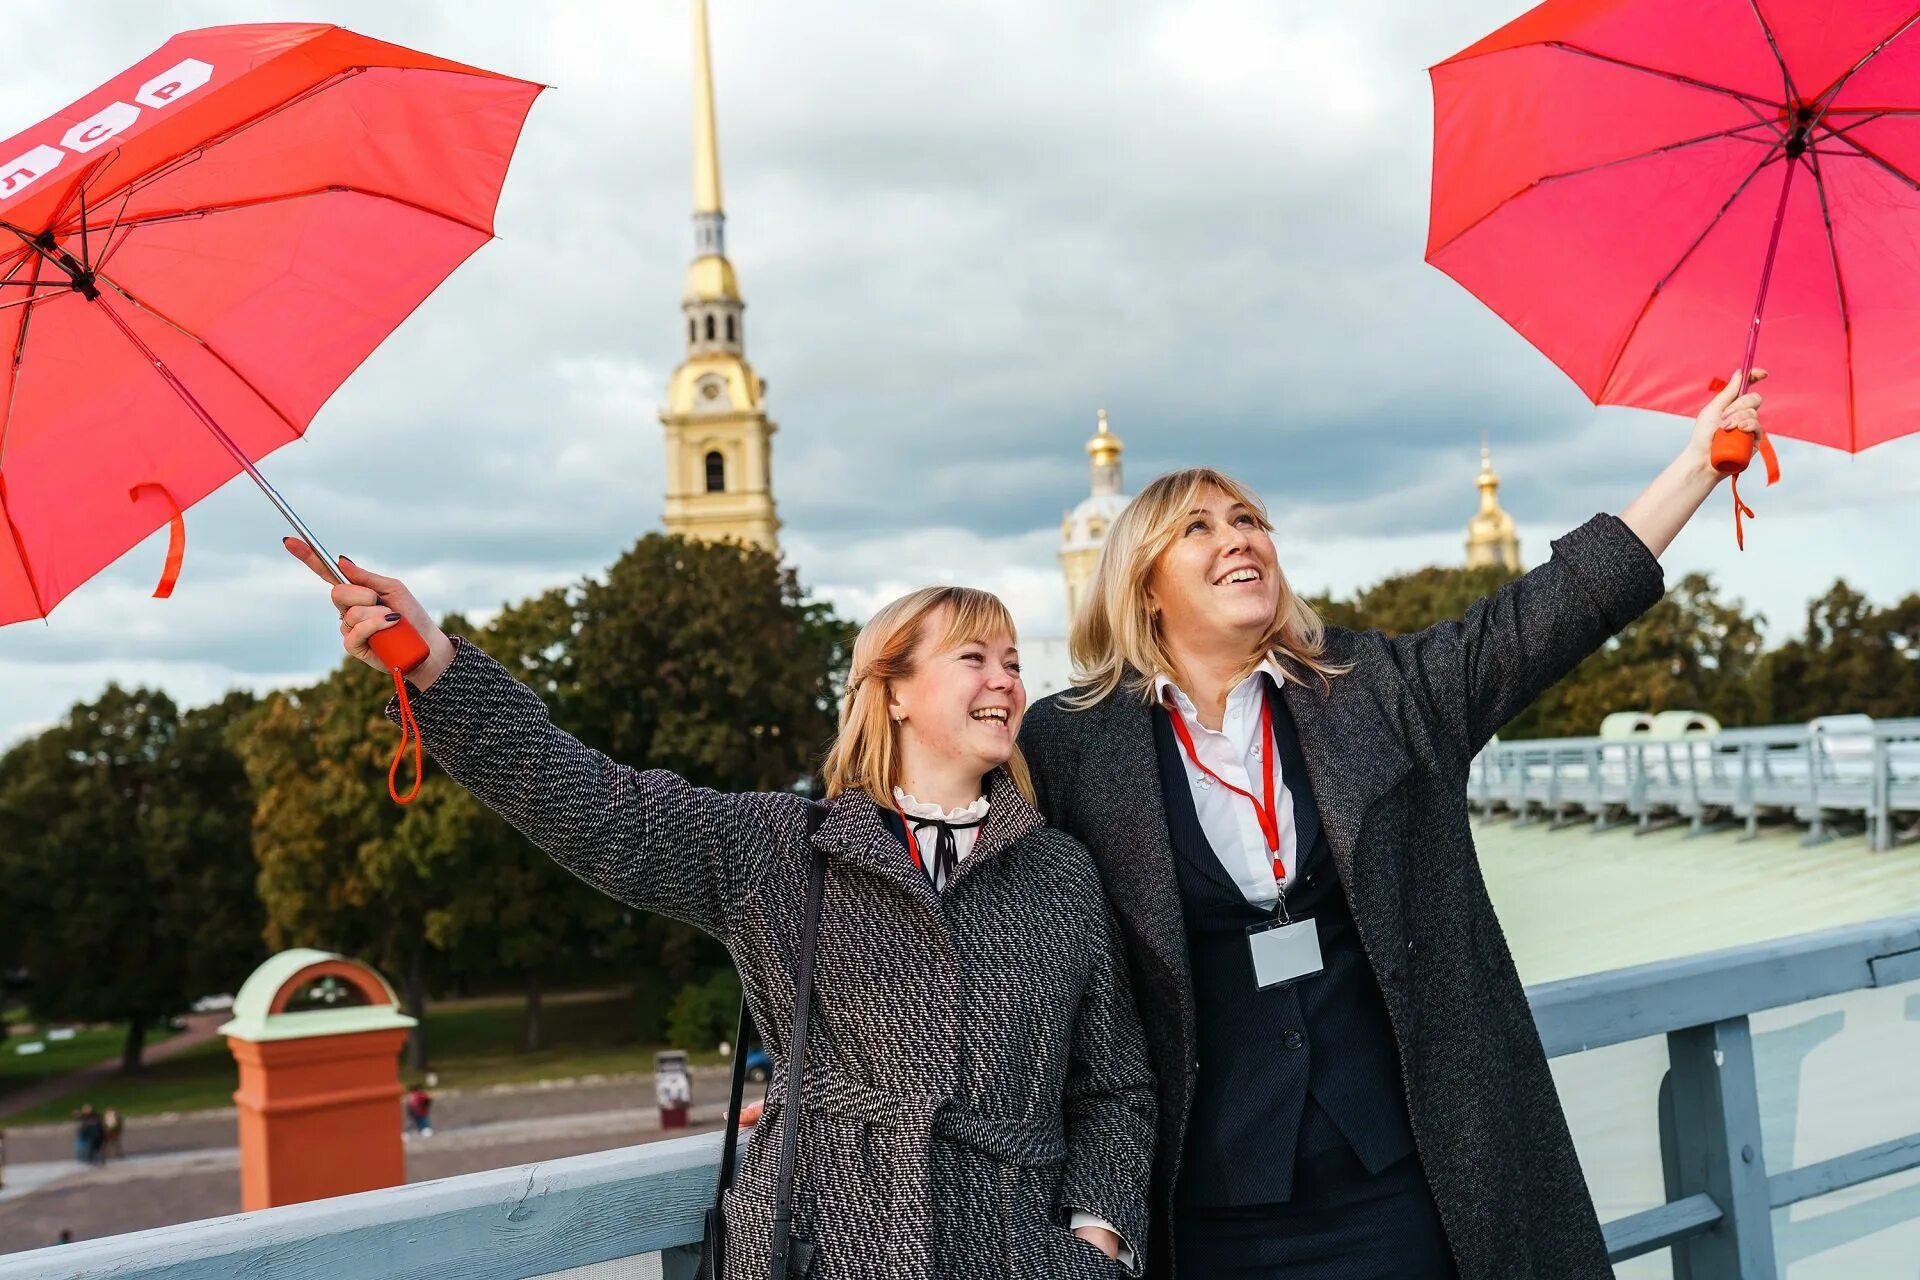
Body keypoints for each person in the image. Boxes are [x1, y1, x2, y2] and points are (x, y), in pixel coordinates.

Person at [1019, 378, 1769, 1279]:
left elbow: (1553, 610)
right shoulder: (1071, 745)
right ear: (1142, 586)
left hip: (1407, 1184)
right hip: (1208, 1208)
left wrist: (1695, 463)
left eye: (1249, 519)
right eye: (1200, 528)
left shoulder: (1373, 691)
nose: (1239, 538)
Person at [284, 551, 1156, 1280]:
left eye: (1012, 660)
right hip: (823, 1241)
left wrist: (1096, 1242)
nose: (1005, 679)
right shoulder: (781, 847)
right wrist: (440, 669)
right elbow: (600, 810)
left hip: (1019, 1252)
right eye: (975, 658)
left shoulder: (1057, 873)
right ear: (892, 689)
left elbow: (1115, 1083)